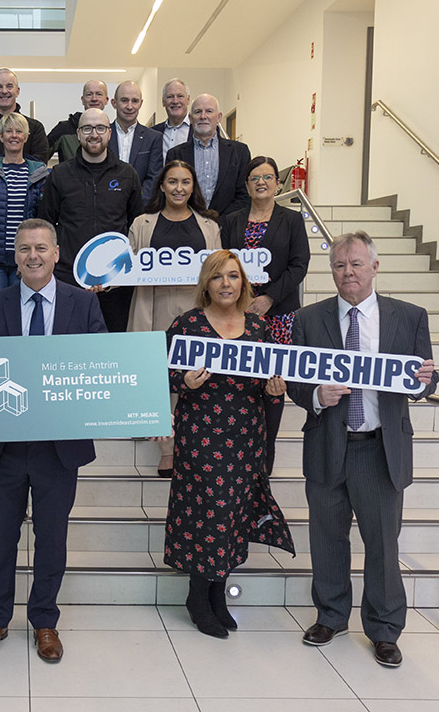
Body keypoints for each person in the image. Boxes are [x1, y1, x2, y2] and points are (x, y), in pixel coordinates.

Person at [287, 231, 438, 668]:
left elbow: (424, 379)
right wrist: (316, 396)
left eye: (355, 264)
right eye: (339, 265)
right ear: (330, 271)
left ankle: (385, 629)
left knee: (382, 545)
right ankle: (330, 616)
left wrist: (427, 381)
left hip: (379, 449)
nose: (347, 272)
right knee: (327, 538)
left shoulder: (408, 317)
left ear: (375, 266)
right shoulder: (308, 319)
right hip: (328, 445)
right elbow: (297, 384)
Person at [0, 218, 107, 663]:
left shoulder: (82, 305)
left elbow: (98, 368)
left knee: (51, 538)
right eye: (25, 248)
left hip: (57, 447)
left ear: (56, 253)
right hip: (4, 445)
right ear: (15, 255)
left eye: (41, 248)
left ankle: (45, 621)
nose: (33, 256)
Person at [165, 249, 294, 639]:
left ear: (243, 283)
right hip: (200, 436)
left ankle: (218, 594)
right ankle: (197, 595)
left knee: (234, 516)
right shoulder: (186, 325)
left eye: (233, 276)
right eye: (218, 276)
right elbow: (157, 373)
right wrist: (182, 382)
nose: (226, 284)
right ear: (206, 282)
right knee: (206, 515)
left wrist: (275, 392)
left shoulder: (259, 329)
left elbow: (270, 386)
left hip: (245, 439)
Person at [127, 160, 220, 477]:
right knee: (160, 380)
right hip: (155, 310)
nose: (179, 188)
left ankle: (197, 445)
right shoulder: (142, 224)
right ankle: (167, 450)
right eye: (172, 182)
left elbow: (219, 272)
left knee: (199, 378)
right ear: (162, 186)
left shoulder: (209, 226)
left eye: (185, 182)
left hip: (198, 311)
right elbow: (126, 266)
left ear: (193, 187)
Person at [220, 156, 311, 475]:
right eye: (255, 177)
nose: (261, 182)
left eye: (268, 177)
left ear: (277, 183)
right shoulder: (231, 220)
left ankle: (263, 469)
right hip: (237, 317)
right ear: (246, 185)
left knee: (271, 391)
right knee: (239, 388)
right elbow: (222, 267)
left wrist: (269, 298)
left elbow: (299, 265)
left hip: (279, 318)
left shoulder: (292, 219)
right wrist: (241, 300)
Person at [38, 108, 142, 333]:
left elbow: (136, 227)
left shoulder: (127, 175)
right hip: (69, 281)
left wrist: (121, 272)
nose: (94, 134)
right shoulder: (59, 174)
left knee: (112, 351)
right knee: (69, 349)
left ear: (109, 133)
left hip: (116, 283)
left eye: (100, 128)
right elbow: (46, 224)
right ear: (78, 133)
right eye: (87, 128)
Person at [0, 112, 51, 290]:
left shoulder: (38, 173)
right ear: (1, 136)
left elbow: (42, 217)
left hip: (27, 260)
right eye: (8, 131)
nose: (14, 136)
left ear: (25, 137)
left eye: (19, 131)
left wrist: (31, 254)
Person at [166, 94, 250, 219]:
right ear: (190, 118)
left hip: (228, 227)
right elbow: (170, 194)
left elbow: (244, 194)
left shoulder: (239, 152)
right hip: (187, 226)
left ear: (219, 117)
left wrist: (219, 222)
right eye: (198, 112)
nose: (203, 116)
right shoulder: (175, 154)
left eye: (209, 111)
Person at [109, 80, 163, 200]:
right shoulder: (103, 135)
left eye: (135, 101)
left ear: (141, 103)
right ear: (114, 103)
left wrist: (137, 204)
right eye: (124, 100)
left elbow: (154, 179)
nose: (129, 106)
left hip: (141, 209)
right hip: (106, 209)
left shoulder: (154, 138)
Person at [46, 80, 108, 163]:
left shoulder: (113, 131)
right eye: (89, 94)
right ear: (82, 100)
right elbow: (40, 157)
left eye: (99, 94)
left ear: (106, 100)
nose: (94, 99)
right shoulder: (63, 129)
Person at [152, 78, 193, 162]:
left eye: (180, 96)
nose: (175, 101)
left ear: (188, 100)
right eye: (170, 97)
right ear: (163, 102)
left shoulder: (198, 130)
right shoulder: (153, 133)